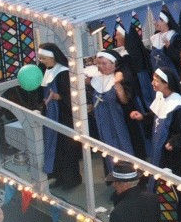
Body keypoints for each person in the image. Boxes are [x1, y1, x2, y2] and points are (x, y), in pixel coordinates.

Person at [130, 67, 181, 177]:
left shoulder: (178, 105)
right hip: (159, 145)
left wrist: (173, 142)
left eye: (156, 81)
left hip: (172, 154)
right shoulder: (160, 96)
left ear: (166, 84)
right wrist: (142, 117)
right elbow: (156, 117)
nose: (152, 83)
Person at [38, 43, 82, 190]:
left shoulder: (63, 73)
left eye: (44, 58)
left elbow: (71, 96)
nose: (42, 61)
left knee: (67, 149)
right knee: (55, 148)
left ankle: (72, 179)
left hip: (64, 117)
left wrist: (58, 97)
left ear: (53, 57)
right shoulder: (46, 70)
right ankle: (59, 176)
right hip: (51, 115)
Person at [90, 50, 137, 171]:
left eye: (104, 63)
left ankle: (128, 173)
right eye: (98, 63)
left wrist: (117, 84)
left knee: (123, 146)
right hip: (102, 122)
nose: (100, 66)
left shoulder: (120, 78)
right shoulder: (96, 79)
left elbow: (125, 101)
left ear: (114, 64)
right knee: (108, 148)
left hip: (118, 120)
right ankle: (113, 173)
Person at [150, 9, 181, 76]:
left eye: (156, 20)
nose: (154, 23)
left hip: (174, 76)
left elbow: (180, 58)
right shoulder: (155, 38)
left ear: (165, 21)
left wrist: (169, 47)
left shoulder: (176, 37)